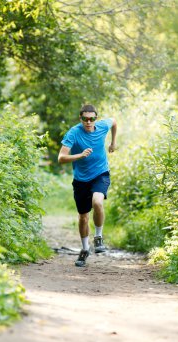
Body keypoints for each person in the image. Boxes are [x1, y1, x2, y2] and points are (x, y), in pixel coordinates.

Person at [58, 104, 117, 267]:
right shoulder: (74, 133)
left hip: (100, 173)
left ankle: (98, 237)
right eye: (85, 119)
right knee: (83, 217)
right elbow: (61, 158)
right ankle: (85, 249)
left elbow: (114, 121)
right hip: (81, 180)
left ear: (96, 119)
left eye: (92, 118)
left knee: (97, 201)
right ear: (81, 119)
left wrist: (113, 142)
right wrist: (79, 155)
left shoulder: (102, 126)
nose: (88, 122)